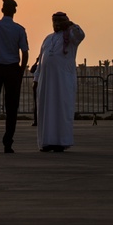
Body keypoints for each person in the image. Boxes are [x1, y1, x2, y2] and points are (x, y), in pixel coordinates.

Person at [0, 0, 29, 153]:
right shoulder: (19, 29)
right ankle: (8, 143)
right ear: (14, 11)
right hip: (12, 68)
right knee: (12, 108)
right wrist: (20, 71)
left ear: (2, 10)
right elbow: (24, 53)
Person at [34, 12, 86, 151]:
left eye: (59, 21)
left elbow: (81, 35)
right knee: (45, 112)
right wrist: (36, 78)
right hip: (45, 82)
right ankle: (46, 142)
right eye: (54, 21)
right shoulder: (48, 39)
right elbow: (41, 60)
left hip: (63, 81)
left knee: (61, 110)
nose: (56, 24)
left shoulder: (71, 36)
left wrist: (69, 24)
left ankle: (61, 143)